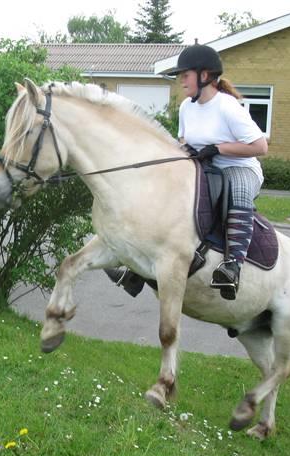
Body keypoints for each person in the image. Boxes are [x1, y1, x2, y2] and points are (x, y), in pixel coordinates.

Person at [106, 44, 268, 300]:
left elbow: (260, 146)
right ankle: (136, 270)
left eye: (186, 74)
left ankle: (232, 267)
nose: (181, 80)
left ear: (205, 76)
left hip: (240, 167)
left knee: (237, 191)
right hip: (205, 166)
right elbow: (184, 139)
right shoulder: (186, 107)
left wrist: (218, 148)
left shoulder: (227, 106)